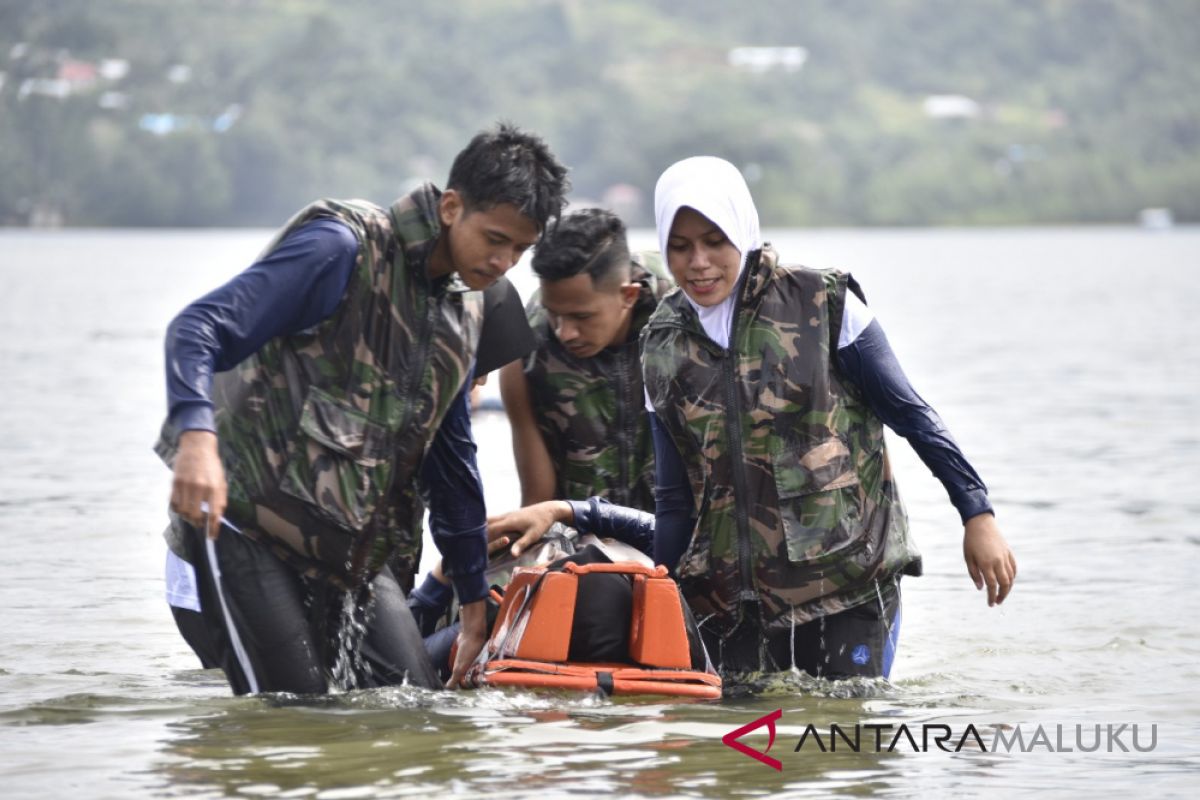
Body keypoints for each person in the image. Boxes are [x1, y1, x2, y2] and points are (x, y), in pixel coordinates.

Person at [490, 157, 1017, 682]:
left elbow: (912, 415)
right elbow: (674, 498)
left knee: (845, 743)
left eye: (714, 241)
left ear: (742, 231)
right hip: (729, 607)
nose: (698, 262)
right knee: (740, 750)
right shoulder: (662, 344)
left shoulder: (823, 302)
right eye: (680, 246)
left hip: (846, 586)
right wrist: (667, 595)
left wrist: (978, 514)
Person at [156, 123, 569, 695]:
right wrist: (197, 443)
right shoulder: (343, 249)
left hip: (347, 548)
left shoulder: (464, 313)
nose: (504, 261)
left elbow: (452, 461)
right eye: (495, 238)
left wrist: (473, 600)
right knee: (293, 711)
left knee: (414, 706)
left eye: (520, 250)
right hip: (246, 520)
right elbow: (197, 329)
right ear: (452, 207)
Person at [499, 208, 672, 513]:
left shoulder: (682, 319)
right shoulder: (528, 351)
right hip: (585, 543)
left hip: (682, 532)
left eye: (581, 317)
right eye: (554, 313)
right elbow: (537, 500)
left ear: (628, 296)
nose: (565, 333)